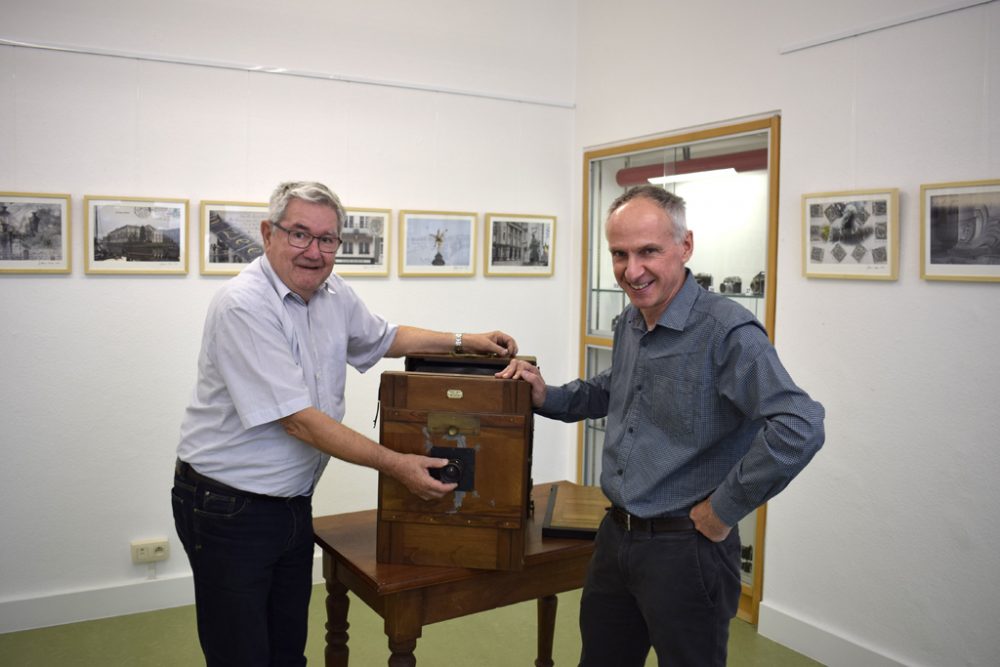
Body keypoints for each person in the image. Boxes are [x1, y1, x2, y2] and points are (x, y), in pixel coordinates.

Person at [172, 181, 518, 667]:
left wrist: (466, 340)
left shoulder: (333, 293)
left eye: (327, 239)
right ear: (269, 234)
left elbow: (385, 337)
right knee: (242, 654)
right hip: (227, 506)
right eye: (299, 235)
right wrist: (397, 465)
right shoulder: (244, 305)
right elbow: (300, 422)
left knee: (288, 649)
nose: (314, 252)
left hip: (290, 503)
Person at [499, 184, 824, 667]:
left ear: (685, 246)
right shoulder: (632, 320)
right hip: (615, 540)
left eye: (649, 251)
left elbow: (800, 425)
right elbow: (614, 390)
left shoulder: (727, 331)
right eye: (619, 254)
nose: (632, 271)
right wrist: (548, 396)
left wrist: (721, 511)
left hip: (687, 551)